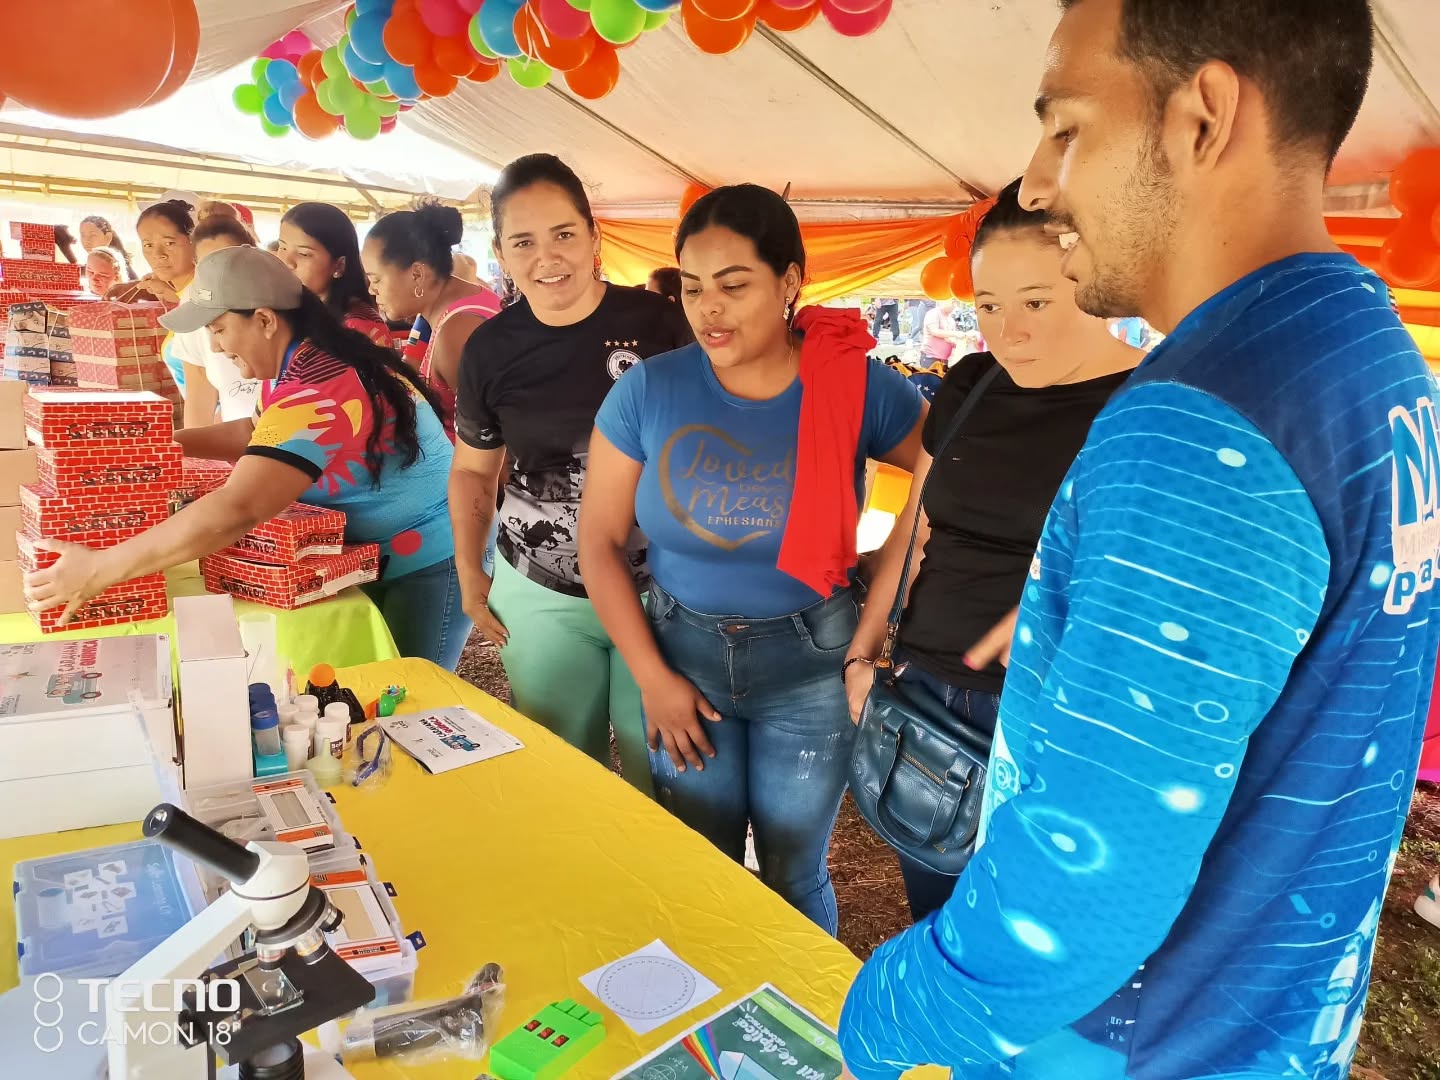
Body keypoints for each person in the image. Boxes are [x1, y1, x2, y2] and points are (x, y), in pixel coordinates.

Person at [838, 3, 1438, 1079]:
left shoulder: (1198, 423)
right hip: (1265, 1024)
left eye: (1066, 125)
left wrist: (888, 1009)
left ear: (1202, 116)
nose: (1035, 180)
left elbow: (1084, 888)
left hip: (1133, 1043)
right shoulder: (1372, 358)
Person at [579, 184, 926, 931]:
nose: (709, 309)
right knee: (701, 866)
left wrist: (882, 593)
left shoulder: (852, 382)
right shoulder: (650, 391)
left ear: (790, 281)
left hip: (812, 662)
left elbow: (944, 472)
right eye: (695, 288)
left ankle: (799, 1033)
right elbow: (598, 544)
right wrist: (653, 678)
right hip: (682, 654)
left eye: (734, 286)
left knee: (793, 872)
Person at [844, 179, 1142, 922]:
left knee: (1032, 929)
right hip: (926, 695)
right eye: (988, 305)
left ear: (1091, 278)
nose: (1009, 331)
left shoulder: (1144, 409)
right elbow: (915, 526)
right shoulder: (973, 385)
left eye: (1036, 301)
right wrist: (864, 649)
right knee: (937, 909)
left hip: (1051, 720)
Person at [25, 247, 470, 670]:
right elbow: (256, 434)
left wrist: (101, 568)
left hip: (429, 558)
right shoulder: (294, 365)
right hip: (371, 551)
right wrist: (152, 446)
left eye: (218, 330)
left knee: (414, 697)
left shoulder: (319, 388)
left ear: (263, 320)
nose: (215, 348)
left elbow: (239, 507)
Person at [450, 153, 692, 795]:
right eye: (523, 241)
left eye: (563, 234)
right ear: (500, 252)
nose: (547, 257)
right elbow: (475, 471)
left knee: (662, 770)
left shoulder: (659, 325)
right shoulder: (489, 350)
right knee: (564, 776)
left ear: (594, 236)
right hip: (540, 594)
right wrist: (470, 572)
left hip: (658, 589)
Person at [363, 200, 501, 438]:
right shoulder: (447, 309)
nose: (371, 291)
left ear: (417, 274)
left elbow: (498, 447)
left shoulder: (458, 332)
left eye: (376, 280)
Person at [175, 216, 260, 428]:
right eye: (208, 264)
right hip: (238, 445)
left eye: (228, 261)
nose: (215, 347)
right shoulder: (193, 303)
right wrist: (195, 456)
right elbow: (199, 387)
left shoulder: (278, 299)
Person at [277, 203, 390, 347]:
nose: (288, 262)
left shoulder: (359, 326)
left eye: (304, 253)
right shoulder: (293, 311)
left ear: (339, 265)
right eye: (282, 247)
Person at [106, 199, 197, 315]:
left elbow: (207, 324)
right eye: (148, 245)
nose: (158, 254)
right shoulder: (172, 289)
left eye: (169, 243)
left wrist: (170, 295)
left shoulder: (209, 287)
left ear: (192, 240)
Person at [79, 214, 137, 279]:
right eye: (83, 235)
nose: (87, 241)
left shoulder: (120, 268)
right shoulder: (88, 268)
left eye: (93, 235)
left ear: (108, 237)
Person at [918, 298, 967, 365]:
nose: (954, 305)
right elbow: (934, 331)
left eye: (956, 303)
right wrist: (955, 334)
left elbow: (949, 338)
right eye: (953, 302)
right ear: (944, 301)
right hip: (930, 357)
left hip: (944, 359)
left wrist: (963, 340)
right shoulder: (933, 313)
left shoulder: (951, 320)